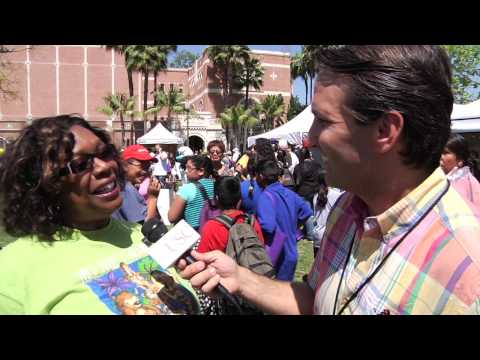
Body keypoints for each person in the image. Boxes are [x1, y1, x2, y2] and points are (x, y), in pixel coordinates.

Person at [178, 45, 480, 315]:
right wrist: (241, 278)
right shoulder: (348, 207)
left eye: (324, 120)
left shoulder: (467, 276)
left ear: (385, 131)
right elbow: (315, 298)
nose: (309, 139)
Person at [0, 115, 199, 314]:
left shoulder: (141, 234)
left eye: (105, 153)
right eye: (80, 164)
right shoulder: (11, 268)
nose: (105, 166)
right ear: (46, 184)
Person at [255, 159, 313, 281]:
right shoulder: (290, 193)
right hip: (291, 253)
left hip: (275, 255)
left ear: (260, 176)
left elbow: (268, 226)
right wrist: (294, 226)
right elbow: (307, 211)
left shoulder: (265, 197)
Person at [198, 176, 265, 253]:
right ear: (240, 200)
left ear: (217, 199)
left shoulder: (211, 227)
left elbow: (202, 258)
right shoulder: (252, 222)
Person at [111, 144, 161, 224]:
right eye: (141, 166)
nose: (145, 171)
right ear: (124, 165)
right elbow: (145, 226)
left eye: (148, 167)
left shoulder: (120, 185)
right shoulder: (126, 188)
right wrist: (153, 198)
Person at [168, 155, 215, 232]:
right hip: (211, 232)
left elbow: (172, 217)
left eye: (189, 168)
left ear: (201, 171)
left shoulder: (187, 189)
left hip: (194, 234)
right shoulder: (216, 186)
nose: (185, 171)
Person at [440, 133, 480, 205]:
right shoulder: (447, 179)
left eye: (445, 153)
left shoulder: (462, 183)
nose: (440, 157)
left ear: (460, 160)